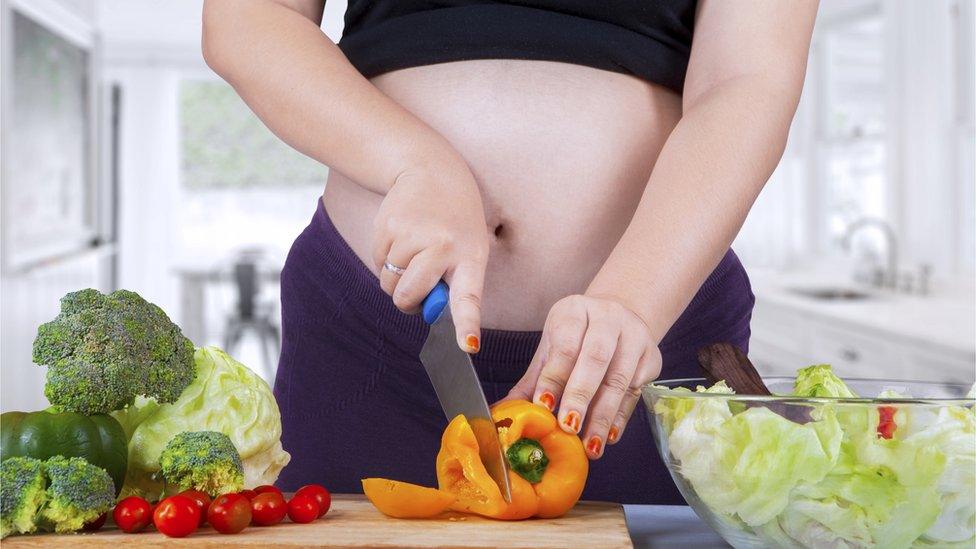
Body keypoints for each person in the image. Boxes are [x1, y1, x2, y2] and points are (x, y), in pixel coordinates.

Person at [202, 0, 818, 503]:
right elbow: (247, 18)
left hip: (641, 357)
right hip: (371, 342)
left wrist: (630, 303)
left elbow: (748, 80)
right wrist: (416, 162)